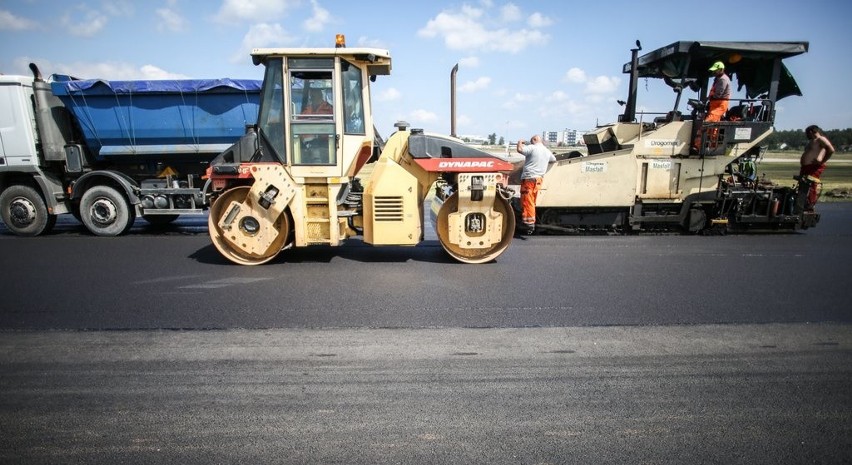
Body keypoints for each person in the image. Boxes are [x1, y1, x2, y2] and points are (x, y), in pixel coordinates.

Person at [516, 135, 556, 234]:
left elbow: (520, 150)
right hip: (538, 180)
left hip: (529, 178)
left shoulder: (532, 148)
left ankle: (529, 224)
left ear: (534, 140)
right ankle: (529, 221)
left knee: (527, 201)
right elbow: (553, 159)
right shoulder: (546, 151)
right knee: (532, 201)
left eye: (531, 141)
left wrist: (520, 142)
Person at [692, 61, 731, 152]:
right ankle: (712, 146)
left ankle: (697, 146)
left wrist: (709, 98)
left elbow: (718, 94)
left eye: (715, 70)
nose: (714, 72)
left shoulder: (723, 80)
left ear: (721, 69)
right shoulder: (717, 79)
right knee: (714, 127)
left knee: (707, 122)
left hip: (720, 105)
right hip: (714, 104)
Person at [799, 125, 835, 210]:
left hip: (814, 167)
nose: (806, 135)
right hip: (806, 167)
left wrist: (822, 161)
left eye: (807, 133)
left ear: (811, 132)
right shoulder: (812, 141)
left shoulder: (821, 139)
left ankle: (810, 205)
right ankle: (802, 204)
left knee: (811, 185)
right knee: (803, 185)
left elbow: (831, 150)